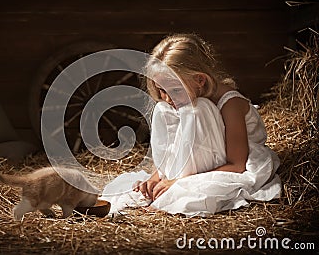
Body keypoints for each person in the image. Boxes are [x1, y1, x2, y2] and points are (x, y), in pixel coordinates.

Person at [100, 33, 281, 216]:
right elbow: (176, 145)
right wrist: (157, 177)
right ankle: (166, 180)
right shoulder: (179, 100)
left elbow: (237, 165)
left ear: (200, 80)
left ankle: (175, 181)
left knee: (198, 109)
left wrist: (179, 182)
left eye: (175, 90)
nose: (168, 98)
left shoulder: (230, 103)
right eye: (162, 90)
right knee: (162, 110)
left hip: (228, 162)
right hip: (197, 162)